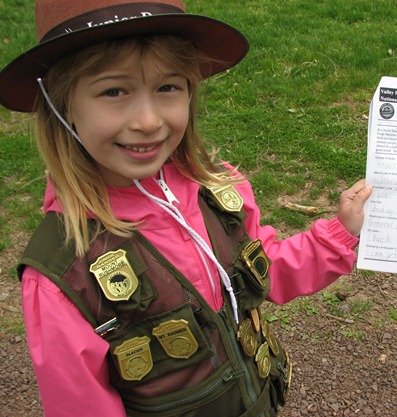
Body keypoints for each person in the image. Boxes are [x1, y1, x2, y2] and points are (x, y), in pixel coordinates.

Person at [0, 1, 373, 416]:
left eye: (167, 87)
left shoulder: (216, 188)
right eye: (113, 91)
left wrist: (338, 234)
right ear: (62, 103)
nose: (147, 120)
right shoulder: (64, 274)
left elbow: (263, 271)